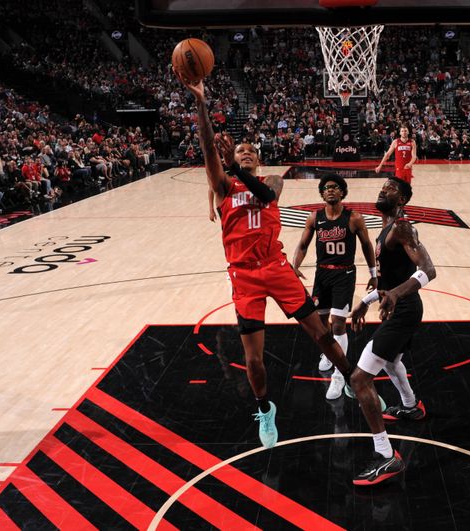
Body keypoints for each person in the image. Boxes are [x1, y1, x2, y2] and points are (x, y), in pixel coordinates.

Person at [176, 73, 358, 453]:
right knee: (253, 361)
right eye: (239, 151)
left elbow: (264, 193)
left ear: (257, 160)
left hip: (276, 269)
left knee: (322, 335)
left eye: (249, 152)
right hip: (244, 277)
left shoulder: (273, 181)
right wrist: (201, 104)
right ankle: (265, 408)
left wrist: (236, 166)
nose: (244, 154)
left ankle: (355, 382)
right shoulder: (223, 186)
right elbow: (209, 150)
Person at [348, 177, 436, 485]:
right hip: (400, 308)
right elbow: (386, 286)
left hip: (405, 311)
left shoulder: (401, 227)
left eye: (392, 188)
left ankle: (386, 457)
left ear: (404, 200)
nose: (385, 189)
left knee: (359, 379)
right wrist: (365, 301)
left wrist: (396, 295)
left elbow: (428, 270)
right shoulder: (384, 230)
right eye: (383, 185)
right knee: (390, 360)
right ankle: (411, 406)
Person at [292, 174, 378, 399]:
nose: (330, 190)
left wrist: (373, 273)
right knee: (320, 324)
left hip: (344, 274)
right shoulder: (314, 217)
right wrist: (294, 266)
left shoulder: (354, 218)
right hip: (322, 275)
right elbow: (302, 244)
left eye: (335, 187)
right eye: (326, 188)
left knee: (338, 324)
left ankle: (339, 376)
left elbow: (367, 246)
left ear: (342, 192)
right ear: (321, 193)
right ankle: (328, 354)